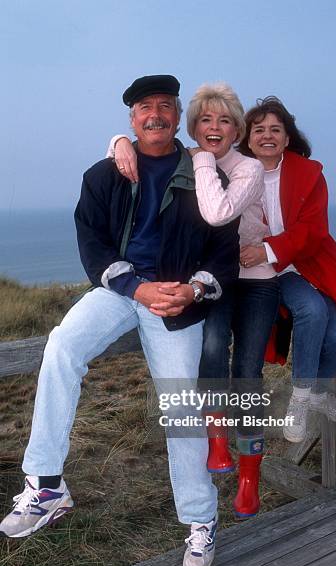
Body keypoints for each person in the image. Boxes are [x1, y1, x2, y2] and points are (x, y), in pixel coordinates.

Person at [0, 75, 241, 566]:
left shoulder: (206, 173)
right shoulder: (104, 174)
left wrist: (194, 289)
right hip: (120, 290)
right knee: (62, 345)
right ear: (131, 120)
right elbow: (92, 244)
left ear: (179, 118)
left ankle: (201, 521)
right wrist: (135, 288)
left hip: (177, 298)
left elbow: (224, 253)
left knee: (180, 403)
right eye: (145, 108)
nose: (156, 114)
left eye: (166, 106)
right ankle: (46, 485)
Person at [107, 83, 280, 519]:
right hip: (216, 279)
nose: (214, 127)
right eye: (205, 120)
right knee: (210, 349)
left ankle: (249, 476)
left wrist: (201, 157)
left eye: (224, 120)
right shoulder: (186, 157)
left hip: (256, 279)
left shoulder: (244, 168)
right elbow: (151, 141)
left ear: (237, 129)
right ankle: (216, 437)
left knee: (248, 374)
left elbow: (218, 213)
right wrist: (119, 141)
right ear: (194, 125)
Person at [238, 96, 336, 443]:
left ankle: (317, 395)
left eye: (275, 129)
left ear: (287, 138)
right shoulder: (235, 171)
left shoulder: (309, 174)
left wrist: (266, 249)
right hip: (269, 274)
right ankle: (302, 400)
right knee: (311, 310)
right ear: (247, 138)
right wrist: (120, 143)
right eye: (258, 129)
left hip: (310, 264)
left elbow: (313, 229)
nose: (267, 135)